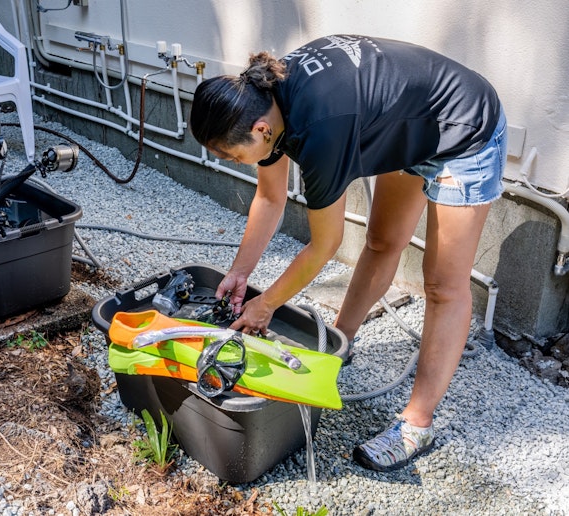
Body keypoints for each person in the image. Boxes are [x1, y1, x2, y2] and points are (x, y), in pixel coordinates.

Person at [188, 34, 506, 472]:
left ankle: (417, 424)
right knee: (382, 242)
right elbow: (270, 198)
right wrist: (241, 273)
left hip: (464, 128)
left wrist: (267, 304)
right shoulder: (264, 99)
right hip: (411, 123)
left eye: (230, 155)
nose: (231, 161)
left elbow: (325, 245)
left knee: (442, 284)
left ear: (261, 130)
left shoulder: (320, 130)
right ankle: (341, 342)